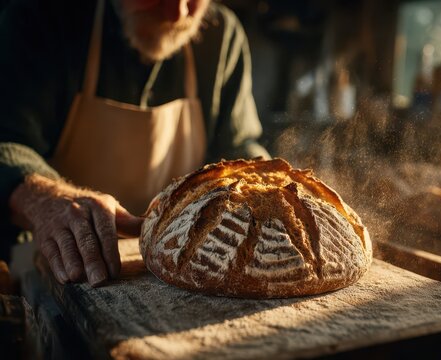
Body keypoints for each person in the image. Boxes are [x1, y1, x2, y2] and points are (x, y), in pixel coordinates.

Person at [0, 0, 269, 286]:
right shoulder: (40, 21)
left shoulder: (220, 34)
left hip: (168, 278)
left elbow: (238, 147)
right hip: (47, 267)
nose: (176, 14)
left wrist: (267, 186)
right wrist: (46, 200)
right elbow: (7, 142)